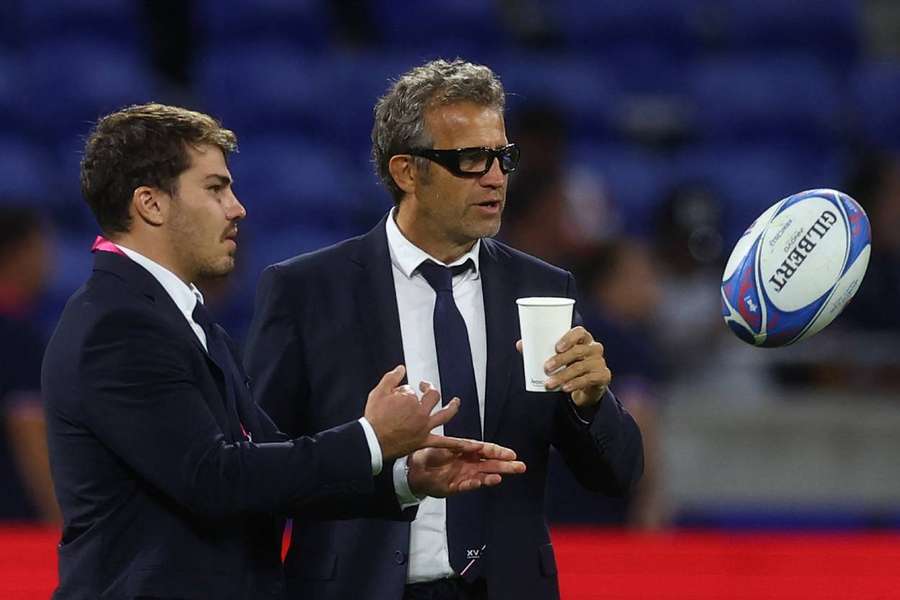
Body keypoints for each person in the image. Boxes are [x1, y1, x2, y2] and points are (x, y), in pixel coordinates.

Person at [42, 103, 525, 600]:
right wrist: (370, 439)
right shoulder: (119, 325)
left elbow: (272, 470)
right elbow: (214, 478)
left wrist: (405, 477)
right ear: (151, 204)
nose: (237, 208)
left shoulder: (184, 319)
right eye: (215, 188)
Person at [245, 59, 644, 600]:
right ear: (407, 171)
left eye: (503, 157)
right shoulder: (307, 292)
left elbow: (614, 476)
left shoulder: (543, 288)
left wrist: (593, 403)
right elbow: (265, 477)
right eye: (471, 159)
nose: (496, 177)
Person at [0, 206, 60, 524]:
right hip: (14, 530)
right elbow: (28, 430)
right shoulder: (16, 335)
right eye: (42, 248)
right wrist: (64, 526)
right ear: (18, 253)